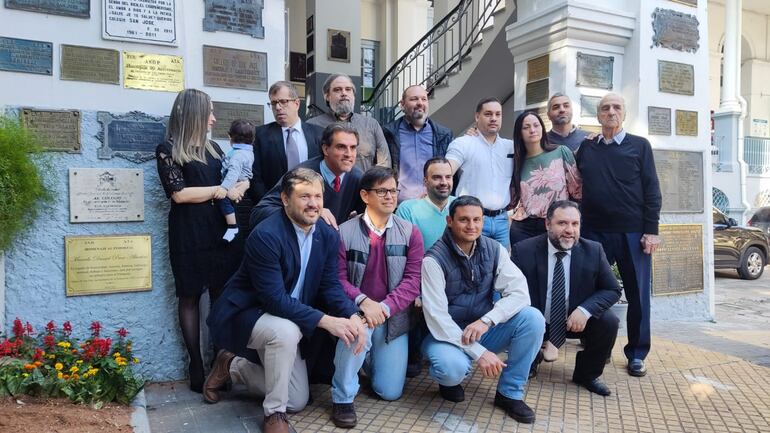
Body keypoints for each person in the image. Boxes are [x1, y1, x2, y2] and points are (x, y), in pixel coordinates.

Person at [204, 167, 368, 433]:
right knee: (286, 331)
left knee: (297, 399)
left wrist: (351, 315)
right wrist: (327, 321)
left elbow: (330, 285)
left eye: (318, 196)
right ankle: (274, 415)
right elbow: (273, 300)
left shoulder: (326, 235)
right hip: (248, 314)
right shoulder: (267, 235)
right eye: (304, 197)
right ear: (284, 199)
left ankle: (232, 366)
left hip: (289, 317)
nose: (313, 204)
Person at [155, 89, 249, 393]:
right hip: (189, 233)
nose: (213, 118)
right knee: (190, 296)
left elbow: (233, 181)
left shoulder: (216, 150)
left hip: (220, 231)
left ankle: (220, 364)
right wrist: (219, 191)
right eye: (208, 112)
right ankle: (196, 365)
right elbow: (179, 194)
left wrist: (240, 185)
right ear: (193, 113)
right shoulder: (167, 149)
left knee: (222, 297)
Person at [421, 195, 545, 424]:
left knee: (533, 318)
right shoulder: (433, 260)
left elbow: (520, 293)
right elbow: (437, 319)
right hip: (444, 335)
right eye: (464, 220)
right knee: (451, 369)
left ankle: (509, 393)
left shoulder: (494, 249)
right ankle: (449, 381)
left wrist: (487, 320)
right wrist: (481, 354)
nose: (472, 226)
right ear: (449, 221)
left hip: (480, 328)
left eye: (477, 220)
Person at [576, 92, 662, 378]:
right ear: (598, 115)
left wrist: (651, 231)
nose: (610, 111)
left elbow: (652, 191)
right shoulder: (587, 147)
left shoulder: (640, 146)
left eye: (616, 107)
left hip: (632, 233)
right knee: (589, 290)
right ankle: (595, 346)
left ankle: (637, 353)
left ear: (624, 114)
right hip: (593, 232)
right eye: (605, 108)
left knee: (637, 294)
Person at [331, 167, 423, 428]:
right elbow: (337, 279)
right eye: (382, 191)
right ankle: (342, 398)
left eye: (393, 191)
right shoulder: (344, 232)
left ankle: (369, 362)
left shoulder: (410, 233)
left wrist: (382, 307)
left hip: (391, 316)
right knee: (353, 333)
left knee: (389, 392)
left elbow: (412, 281)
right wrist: (362, 302)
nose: (389, 196)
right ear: (365, 195)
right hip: (356, 312)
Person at [511, 200, 620, 396]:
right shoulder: (523, 251)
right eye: (562, 223)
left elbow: (612, 289)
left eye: (575, 224)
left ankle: (587, 374)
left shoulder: (593, 251)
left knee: (609, 321)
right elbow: (509, 292)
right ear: (547, 224)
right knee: (522, 318)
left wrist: (585, 310)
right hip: (536, 322)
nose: (570, 230)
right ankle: (531, 358)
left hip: (573, 322)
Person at [395, 157, 456, 377]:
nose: (443, 182)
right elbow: (401, 256)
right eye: (437, 177)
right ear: (425, 181)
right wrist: (414, 291)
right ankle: (415, 354)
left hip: (454, 286)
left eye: (447, 177)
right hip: (418, 285)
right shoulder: (408, 209)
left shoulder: (461, 207)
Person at [249, 123, 365, 230]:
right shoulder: (300, 175)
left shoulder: (358, 178)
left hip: (334, 247)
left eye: (353, 147)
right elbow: (259, 213)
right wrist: (307, 212)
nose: (349, 154)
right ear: (325, 149)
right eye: (341, 147)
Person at [445, 98, 514, 247]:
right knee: (473, 266)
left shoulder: (511, 147)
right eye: (488, 114)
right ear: (477, 117)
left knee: (502, 267)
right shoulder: (463, 144)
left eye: (498, 114)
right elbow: (446, 172)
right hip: (471, 220)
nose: (494, 118)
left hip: (502, 221)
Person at [509, 111, 581, 246]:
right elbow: (512, 199)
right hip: (524, 227)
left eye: (536, 125)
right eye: (526, 127)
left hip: (556, 223)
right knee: (523, 266)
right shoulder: (517, 161)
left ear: (542, 128)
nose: (532, 130)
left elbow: (577, 190)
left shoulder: (561, 152)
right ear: (519, 133)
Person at [250, 81, 324, 203]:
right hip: (273, 205)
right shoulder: (260, 135)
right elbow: (255, 177)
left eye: (283, 102)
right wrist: (267, 204)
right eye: (274, 103)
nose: (278, 107)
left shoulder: (318, 134)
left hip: (312, 205)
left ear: (297, 103)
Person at [381, 85, 454, 202]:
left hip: (432, 204)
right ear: (402, 105)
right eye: (414, 99)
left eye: (424, 99)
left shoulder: (443, 135)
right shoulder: (388, 133)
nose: (420, 103)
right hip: (398, 206)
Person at [308, 73, 391, 172]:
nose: (344, 93)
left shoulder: (371, 124)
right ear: (327, 96)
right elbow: (310, 164)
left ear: (353, 95)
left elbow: (384, 162)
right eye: (337, 90)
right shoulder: (312, 125)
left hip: (364, 186)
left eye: (348, 89)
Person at [219, 119, 255, 242]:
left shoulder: (238, 155)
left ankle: (232, 226)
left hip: (234, 182)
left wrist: (224, 188)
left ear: (230, 137)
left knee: (224, 201)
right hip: (240, 182)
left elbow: (233, 173)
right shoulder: (247, 151)